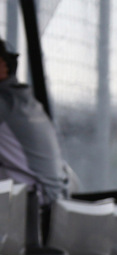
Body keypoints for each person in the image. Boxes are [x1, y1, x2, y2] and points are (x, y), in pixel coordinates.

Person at [0, 39, 68, 207]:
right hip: (50, 205)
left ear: (3, 65)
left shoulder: (6, 104)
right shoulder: (25, 102)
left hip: (32, 212)